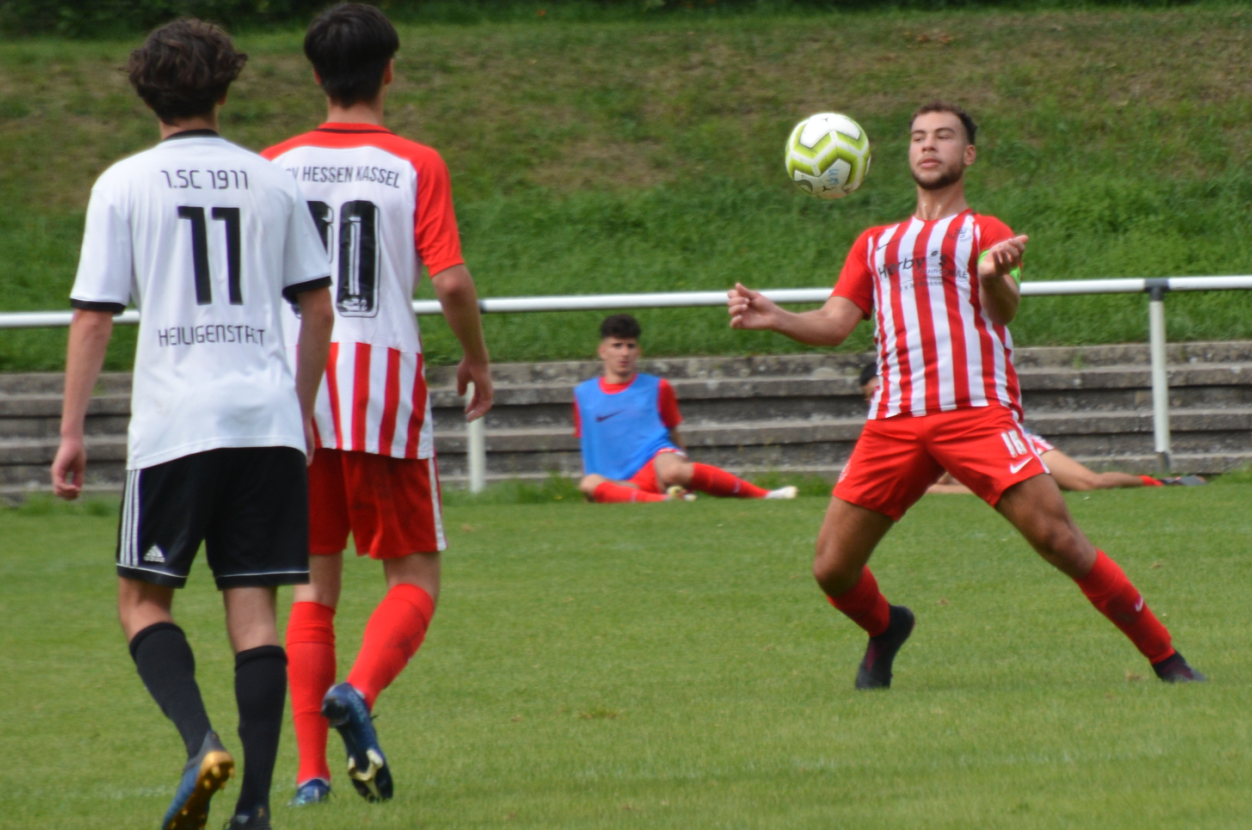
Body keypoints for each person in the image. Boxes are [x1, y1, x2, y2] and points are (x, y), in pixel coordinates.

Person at [729, 101, 1203, 689]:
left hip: (977, 415)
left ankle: (1168, 660)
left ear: (967, 155)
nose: (929, 145)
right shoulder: (874, 243)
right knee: (832, 569)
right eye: (918, 137)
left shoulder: (988, 233)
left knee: (1060, 541)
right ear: (904, 154)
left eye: (944, 137)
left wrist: (989, 275)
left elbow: (1005, 312)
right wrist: (776, 317)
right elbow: (833, 323)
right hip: (895, 421)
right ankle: (886, 628)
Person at [50, 20, 335, 830]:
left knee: (141, 602)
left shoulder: (123, 183)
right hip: (266, 422)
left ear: (146, 92)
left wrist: (72, 432)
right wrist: (300, 408)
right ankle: (252, 809)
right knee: (254, 614)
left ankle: (200, 741)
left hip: (177, 422)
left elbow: (94, 317)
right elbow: (316, 307)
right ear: (225, 86)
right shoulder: (271, 180)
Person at [261, 3, 493, 807]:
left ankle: (310, 774)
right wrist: (474, 358)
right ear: (390, 71)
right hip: (383, 389)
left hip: (298, 397)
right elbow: (452, 279)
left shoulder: (274, 163)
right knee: (415, 575)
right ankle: (359, 691)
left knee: (312, 590)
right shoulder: (415, 162)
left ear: (316, 76)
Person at [858, 364, 1205, 492]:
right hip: (988, 470)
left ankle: (1165, 483)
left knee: (1090, 483)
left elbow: (936, 483)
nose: (875, 401)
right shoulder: (897, 427)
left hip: (1010, 444)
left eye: (877, 391)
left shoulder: (930, 402)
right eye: (869, 398)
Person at [574, 314, 796, 503]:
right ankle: (666, 500)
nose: (624, 353)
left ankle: (764, 495)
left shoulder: (657, 387)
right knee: (589, 483)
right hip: (619, 482)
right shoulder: (584, 395)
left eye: (630, 346)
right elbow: (587, 444)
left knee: (673, 470)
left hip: (655, 465)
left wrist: (684, 469)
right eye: (617, 346)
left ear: (638, 351)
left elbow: (673, 435)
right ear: (602, 351)